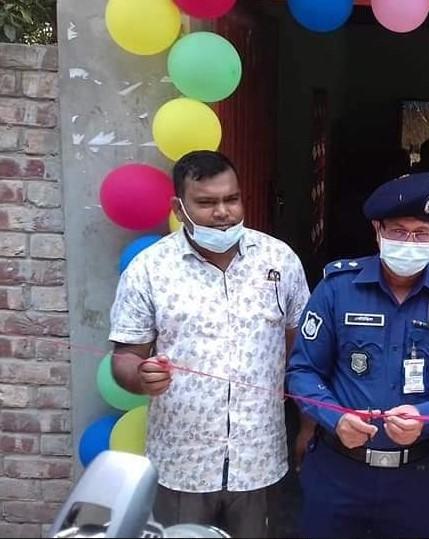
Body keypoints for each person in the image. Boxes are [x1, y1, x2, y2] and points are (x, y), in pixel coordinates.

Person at [108, 150, 312, 538]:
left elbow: (302, 354)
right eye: (206, 202)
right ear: (178, 208)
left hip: (258, 459)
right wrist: (140, 376)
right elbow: (125, 356)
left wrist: (307, 425)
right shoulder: (149, 269)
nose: (223, 212)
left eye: (231, 199)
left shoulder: (279, 260)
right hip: (182, 464)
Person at [286, 172, 429, 538]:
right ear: (377, 231)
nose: (410, 242)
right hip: (337, 473)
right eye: (398, 231)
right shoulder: (337, 289)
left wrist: (425, 418)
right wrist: (335, 418)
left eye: (421, 233)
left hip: (417, 480)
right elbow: (302, 371)